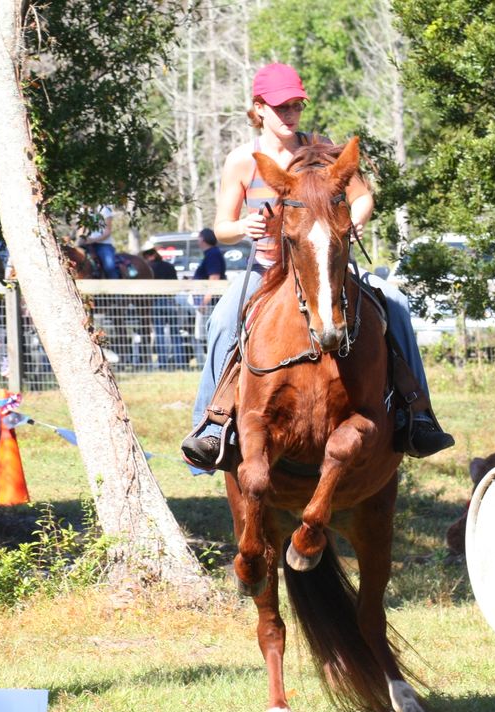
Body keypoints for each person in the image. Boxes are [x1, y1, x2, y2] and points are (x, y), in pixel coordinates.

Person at [180, 62, 453, 472]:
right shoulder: (242, 160)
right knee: (221, 321)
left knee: (395, 301)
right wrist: (242, 227)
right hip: (268, 268)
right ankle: (213, 426)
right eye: (281, 107)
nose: (290, 114)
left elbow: (363, 196)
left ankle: (416, 414)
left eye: (296, 106)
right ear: (258, 108)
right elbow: (221, 228)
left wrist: (354, 219)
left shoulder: (320, 148)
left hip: (327, 265)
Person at [142, 246, 184, 367]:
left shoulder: (149, 268)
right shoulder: (169, 266)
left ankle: (162, 362)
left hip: (156, 302)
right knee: (175, 333)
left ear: (150, 256)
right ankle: (180, 362)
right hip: (170, 301)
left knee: (159, 333)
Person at [79, 205, 119, 279]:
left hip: (103, 244)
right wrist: (81, 239)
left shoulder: (105, 209)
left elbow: (107, 232)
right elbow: (81, 230)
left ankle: (115, 285)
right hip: (87, 245)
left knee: (109, 267)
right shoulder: (83, 209)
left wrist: (93, 240)